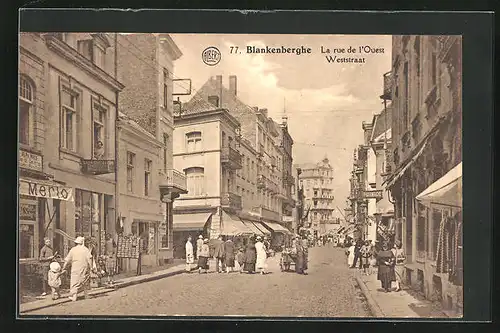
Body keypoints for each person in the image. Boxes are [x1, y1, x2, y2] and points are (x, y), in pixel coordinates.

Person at [62, 236, 93, 301]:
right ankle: (86, 295)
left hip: (75, 267)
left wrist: (64, 267)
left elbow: (67, 260)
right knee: (84, 281)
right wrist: (91, 267)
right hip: (84, 267)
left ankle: (74, 296)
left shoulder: (73, 249)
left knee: (74, 281)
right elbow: (89, 259)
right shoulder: (85, 249)